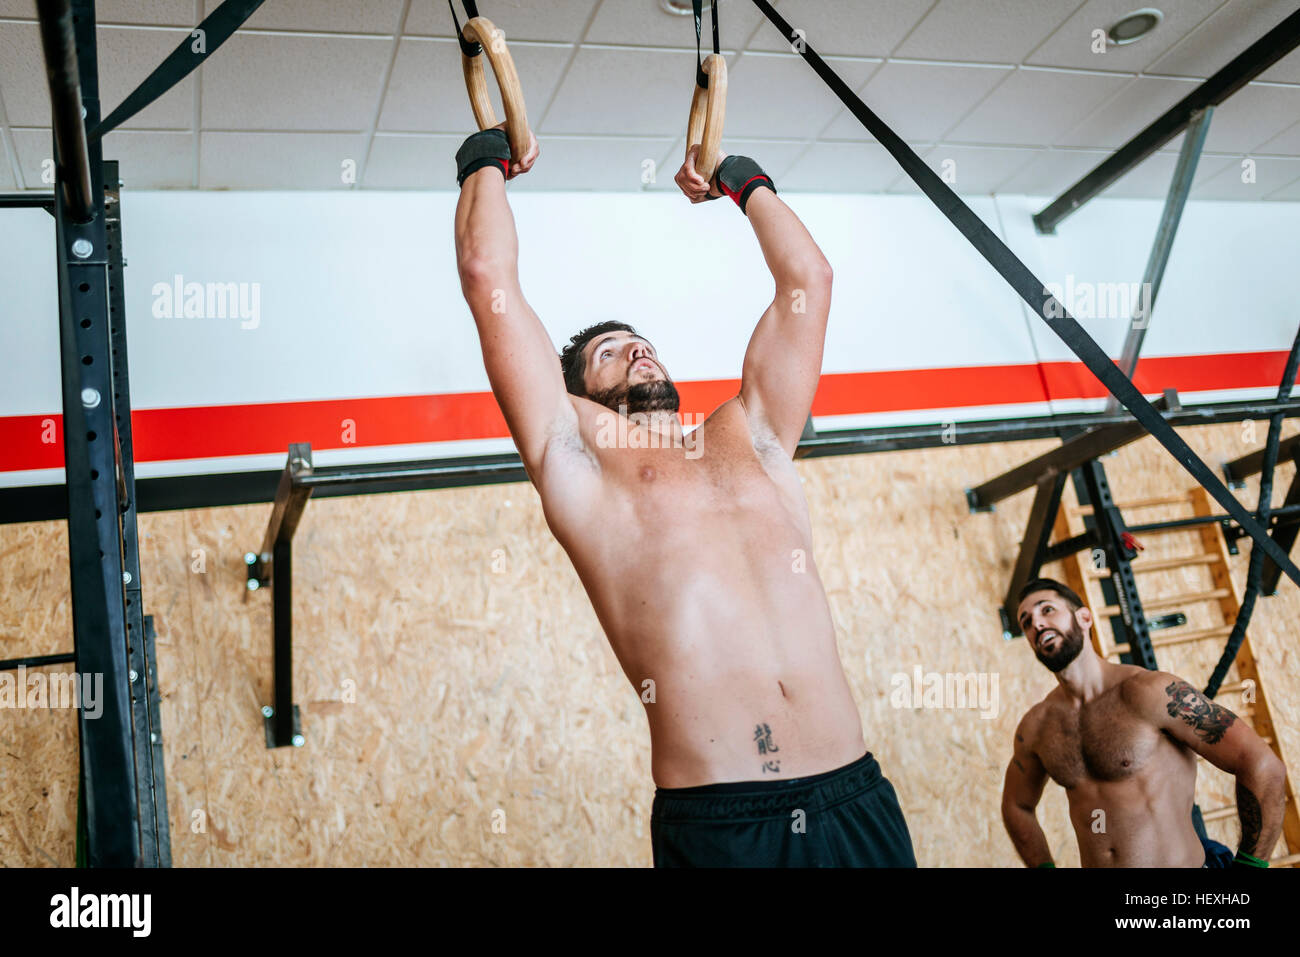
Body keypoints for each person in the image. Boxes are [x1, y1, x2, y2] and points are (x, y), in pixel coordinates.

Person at [451, 124, 915, 867]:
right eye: (610, 351)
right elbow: (486, 275)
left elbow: (811, 280)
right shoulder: (576, 461)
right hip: (725, 820)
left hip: (854, 793)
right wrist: (487, 163)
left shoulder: (752, 432)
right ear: (580, 396)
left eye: (642, 341)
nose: (638, 349)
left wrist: (736, 176)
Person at [1002, 577, 1286, 868]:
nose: (1035, 624)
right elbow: (1017, 806)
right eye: (1026, 622)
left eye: (1046, 610)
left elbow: (1261, 764)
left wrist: (1250, 867)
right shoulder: (1037, 727)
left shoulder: (1152, 692)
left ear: (1084, 618)